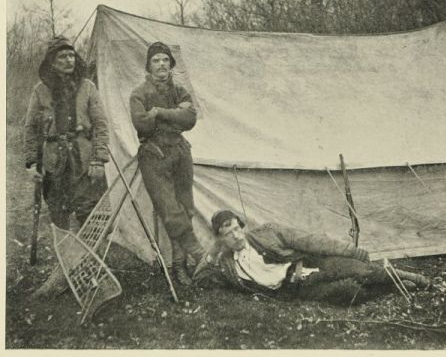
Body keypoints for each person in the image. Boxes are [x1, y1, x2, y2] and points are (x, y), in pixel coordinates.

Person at [193, 210, 430, 305]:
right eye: (228, 234)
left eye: (237, 228)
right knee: (349, 292)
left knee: (359, 269)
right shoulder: (227, 264)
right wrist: (215, 248)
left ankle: (406, 276)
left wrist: (350, 250)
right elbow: (199, 277)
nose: (236, 236)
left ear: (242, 227)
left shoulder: (267, 233)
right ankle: (392, 287)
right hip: (297, 289)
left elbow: (310, 241)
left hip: (310, 264)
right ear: (221, 238)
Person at [129, 42, 204, 286]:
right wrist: (175, 115)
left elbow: (190, 119)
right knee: (171, 212)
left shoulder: (180, 91)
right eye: (156, 60)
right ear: (148, 66)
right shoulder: (139, 94)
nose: (161, 64)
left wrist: (160, 113)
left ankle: (180, 265)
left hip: (180, 152)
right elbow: (142, 124)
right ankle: (199, 255)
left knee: (186, 209)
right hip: (154, 155)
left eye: (165, 60)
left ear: (171, 64)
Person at [24, 36, 109, 231]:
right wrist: (32, 163)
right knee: (57, 210)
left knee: (89, 211)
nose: (69, 60)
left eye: (71, 55)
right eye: (62, 57)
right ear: (52, 62)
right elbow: (31, 128)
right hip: (54, 160)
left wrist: (99, 160)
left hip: (84, 159)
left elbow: (101, 125)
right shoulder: (40, 90)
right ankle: (64, 247)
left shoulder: (88, 87)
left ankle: (89, 249)